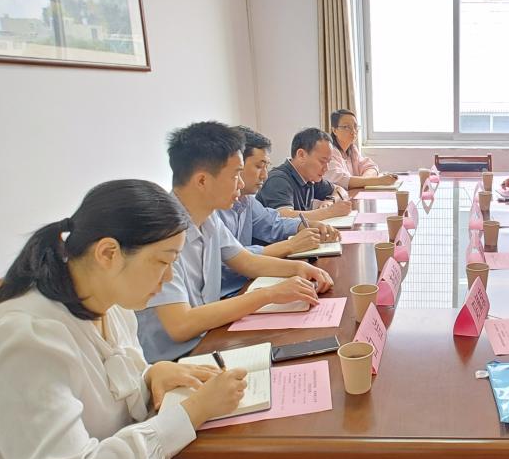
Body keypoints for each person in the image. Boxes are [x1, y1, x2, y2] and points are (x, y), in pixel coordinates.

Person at [0, 180, 249, 459]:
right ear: (108, 253)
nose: (169, 278)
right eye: (164, 261)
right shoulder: (20, 343)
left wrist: (151, 376)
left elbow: (106, 395)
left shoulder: (112, 308)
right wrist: (192, 412)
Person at [137, 122, 333, 363]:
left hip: (209, 337)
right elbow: (181, 325)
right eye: (235, 175)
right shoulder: (160, 233)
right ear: (202, 181)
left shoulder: (208, 218)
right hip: (176, 361)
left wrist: (300, 268)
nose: (240, 184)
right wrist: (269, 294)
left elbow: (246, 262)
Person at [217, 126, 340, 298]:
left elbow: (273, 222)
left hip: (249, 283)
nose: (264, 176)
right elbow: (230, 261)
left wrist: (305, 225)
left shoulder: (247, 200)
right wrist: (290, 246)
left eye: (266, 167)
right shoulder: (210, 212)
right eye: (259, 166)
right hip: (229, 294)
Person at [256, 127, 353, 223]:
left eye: (328, 162)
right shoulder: (277, 180)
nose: (326, 168)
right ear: (301, 155)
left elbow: (339, 190)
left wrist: (330, 201)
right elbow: (284, 217)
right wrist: (329, 212)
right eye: (322, 161)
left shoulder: (310, 178)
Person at [325, 109, 398, 189]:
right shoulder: (329, 152)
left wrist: (365, 180)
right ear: (334, 130)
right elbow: (341, 180)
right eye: (346, 127)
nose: (353, 131)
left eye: (355, 127)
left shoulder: (352, 150)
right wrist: (378, 181)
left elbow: (371, 166)